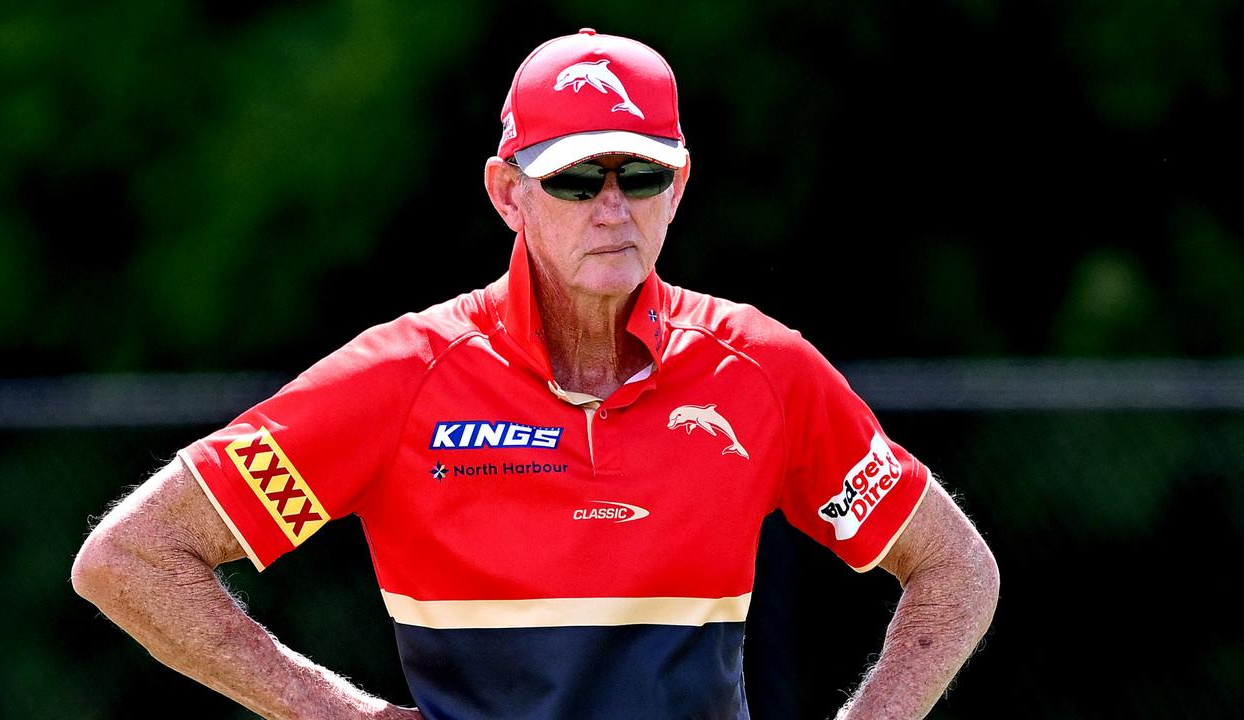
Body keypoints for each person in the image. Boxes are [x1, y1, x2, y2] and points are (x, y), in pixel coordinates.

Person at [72, 28, 999, 720]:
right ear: (507, 192)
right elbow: (133, 559)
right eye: (572, 178)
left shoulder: (761, 371)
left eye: (639, 177)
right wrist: (334, 714)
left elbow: (955, 570)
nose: (610, 209)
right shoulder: (402, 378)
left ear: (678, 190)